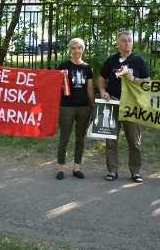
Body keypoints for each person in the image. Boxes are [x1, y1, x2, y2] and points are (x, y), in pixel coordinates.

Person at [97, 31, 150, 182]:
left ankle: (135, 171)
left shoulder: (138, 61)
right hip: (113, 102)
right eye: (124, 41)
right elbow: (101, 79)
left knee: (134, 140)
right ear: (118, 43)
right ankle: (112, 170)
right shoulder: (111, 61)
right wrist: (102, 91)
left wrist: (134, 78)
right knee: (111, 139)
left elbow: (147, 82)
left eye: (129, 41)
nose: (127, 43)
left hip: (131, 105)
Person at [56, 38, 94, 180]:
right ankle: (61, 169)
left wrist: (93, 107)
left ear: (83, 49)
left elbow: (90, 89)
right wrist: (61, 78)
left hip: (84, 107)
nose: (76, 51)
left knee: (80, 139)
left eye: (79, 48)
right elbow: (56, 88)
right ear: (70, 50)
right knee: (64, 138)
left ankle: (76, 168)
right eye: (74, 48)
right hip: (67, 107)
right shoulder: (63, 66)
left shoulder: (87, 68)